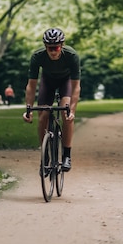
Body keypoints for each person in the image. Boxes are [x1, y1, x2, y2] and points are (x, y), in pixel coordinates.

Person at [22, 27, 81, 173]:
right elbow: (31, 85)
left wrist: (72, 110)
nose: (53, 51)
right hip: (47, 82)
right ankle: (45, 158)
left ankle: (67, 155)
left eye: (56, 48)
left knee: (66, 116)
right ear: (45, 47)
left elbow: (76, 87)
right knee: (42, 116)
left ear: (62, 45)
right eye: (50, 48)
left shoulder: (71, 56)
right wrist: (28, 109)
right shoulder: (38, 56)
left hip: (65, 82)